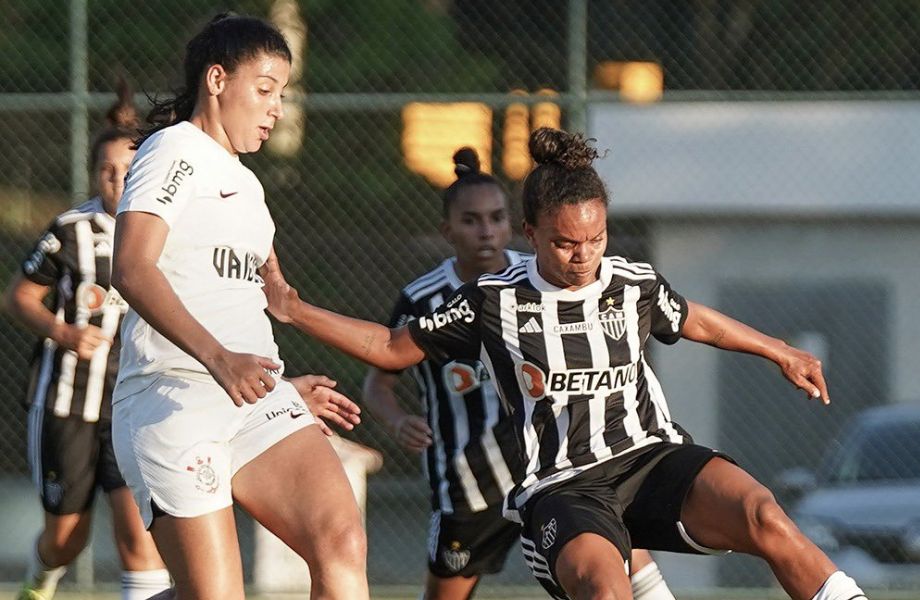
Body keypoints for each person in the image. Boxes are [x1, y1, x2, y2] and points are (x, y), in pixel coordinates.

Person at [263, 128, 872, 600]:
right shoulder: (492, 300)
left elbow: (696, 320)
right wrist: (294, 308)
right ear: (529, 232)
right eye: (564, 242)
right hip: (563, 486)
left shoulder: (631, 283)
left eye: (597, 238)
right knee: (606, 590)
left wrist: (780, 351)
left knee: (764, 514)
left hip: (650, 457)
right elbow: (390, 348)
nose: (584, 256)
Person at [109, 14, 365, 600]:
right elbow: (131, 268)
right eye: (266, 89)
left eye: (283, 94)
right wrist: (221, 361)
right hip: (172, 398)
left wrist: (281, 382)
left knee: (342, 542)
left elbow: (245, 299)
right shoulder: (174, 150)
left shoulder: (248, 186)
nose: (276, 107)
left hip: (252, 401)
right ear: (217, 80)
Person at [363, 149, 675, 600]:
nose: (486, 230)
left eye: (495, 218)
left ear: (516, 226)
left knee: (626, 557)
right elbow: (380, 379)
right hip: (473, 483)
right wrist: (395, 421)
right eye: (471, 220)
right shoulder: (422, 299)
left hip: (558, 468)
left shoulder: (545, 276)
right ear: (447, 230)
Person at [3, 80, 172, 600]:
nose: (117, 179)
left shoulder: (166, 231)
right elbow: (20, 296)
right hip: (67, 404)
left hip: (133, 405)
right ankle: (42, 579)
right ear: (94, 173)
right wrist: (64, 331)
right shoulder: (71, 229)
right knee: (66, 540)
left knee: (139, 538)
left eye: (128, 170)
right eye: (107, 171)